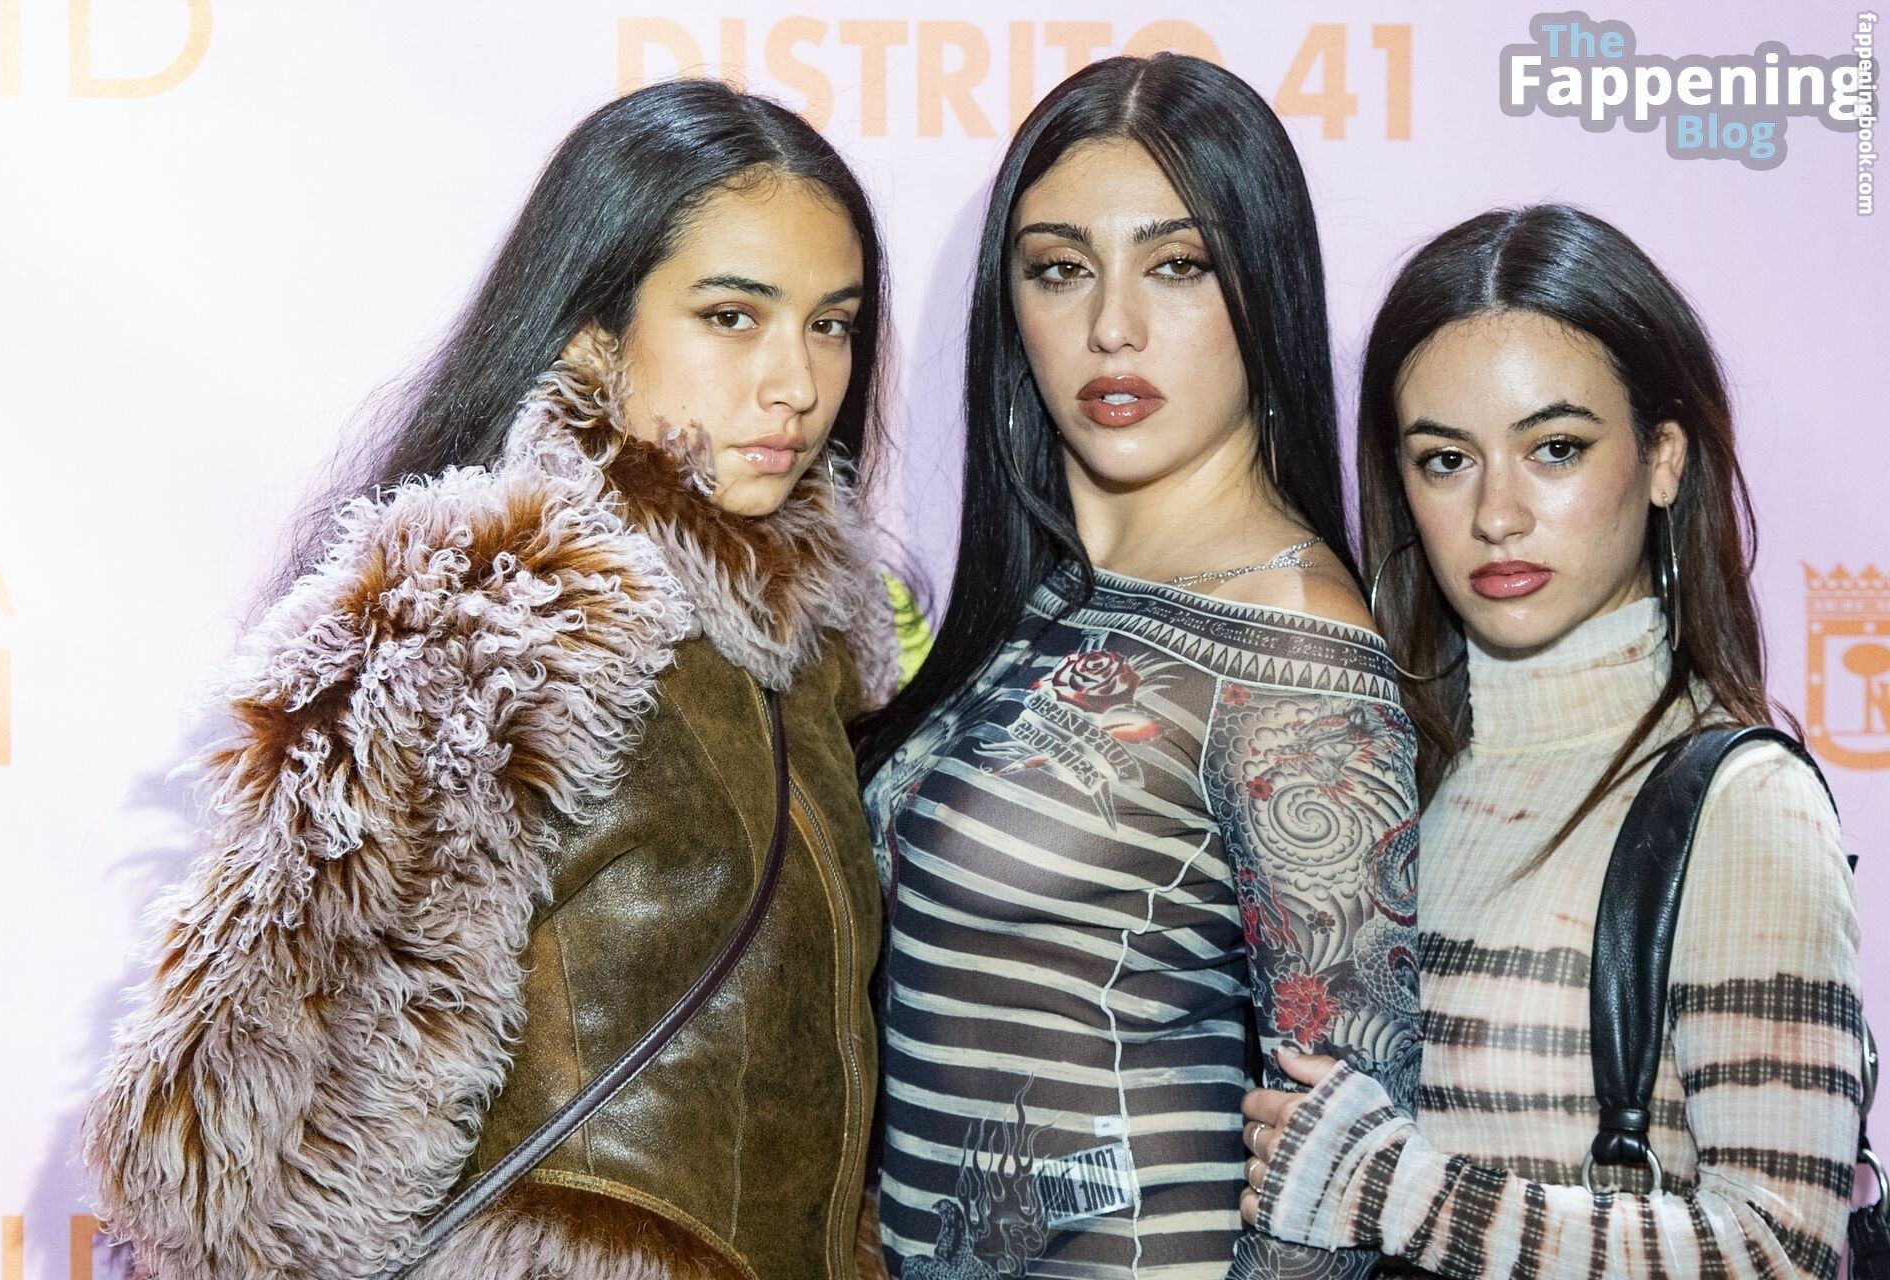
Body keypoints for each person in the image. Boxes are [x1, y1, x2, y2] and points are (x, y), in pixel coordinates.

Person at [81, 80, 899, 1280]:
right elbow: (261, 1123)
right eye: (732, 316)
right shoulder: (493, 603)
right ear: (592, 333)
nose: (797, 382)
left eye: (832, 323)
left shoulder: (821, 651)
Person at [856, 54, 1422, 1279]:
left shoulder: (1296, 653)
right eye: (1061, 268)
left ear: (1263, 283)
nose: (1113, 326)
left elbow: (1346, 1155)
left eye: (1178, 265)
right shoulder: (1043, 592)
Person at [1239, 204, 1864, 1279]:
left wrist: (1393, 1190)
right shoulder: (1386, 778)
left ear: (1664, 457)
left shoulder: (1741, 806)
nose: (1497, 513)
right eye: (1446, 460)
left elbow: (1782, 1252)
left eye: (1556, 448)